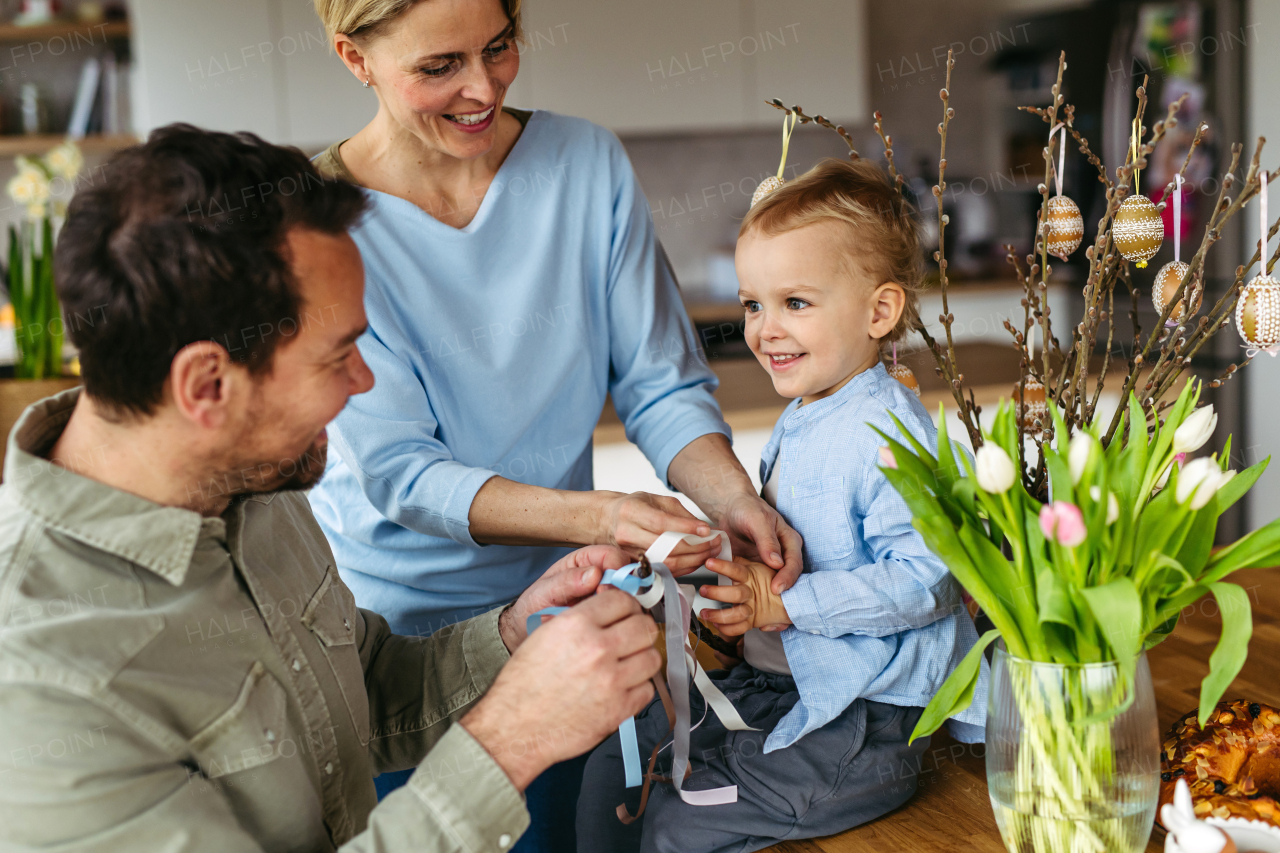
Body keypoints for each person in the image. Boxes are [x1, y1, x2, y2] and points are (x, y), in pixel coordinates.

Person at [0, 124, 664, 853]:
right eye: (338, 354)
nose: (366, 380)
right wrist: (511, 739)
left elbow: (351, 695)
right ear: (206, 385)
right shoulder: (41, 683)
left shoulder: (255, 485)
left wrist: (512, 634)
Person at [306, 0, 803, 832]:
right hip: (396, 651)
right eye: (439, 67)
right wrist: (604, 512)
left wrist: (732, 500)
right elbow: (402, 474)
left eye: (499, 48)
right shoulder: (321, 221)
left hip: (571, 617)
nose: (481, 88)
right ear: (354, 59)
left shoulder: (583, 164)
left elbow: (662, 385)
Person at [575, 159, 990, 852]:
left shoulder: (887, 432)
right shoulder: (809, 409)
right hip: (782, 687)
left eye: (795, 303)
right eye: (752, 304)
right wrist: (720, 570)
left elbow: (932, 579)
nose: (765, 328)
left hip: (862, 720)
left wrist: (781, 606)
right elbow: (796, 551)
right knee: (614, 760)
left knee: (679, 825)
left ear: (879, 311)